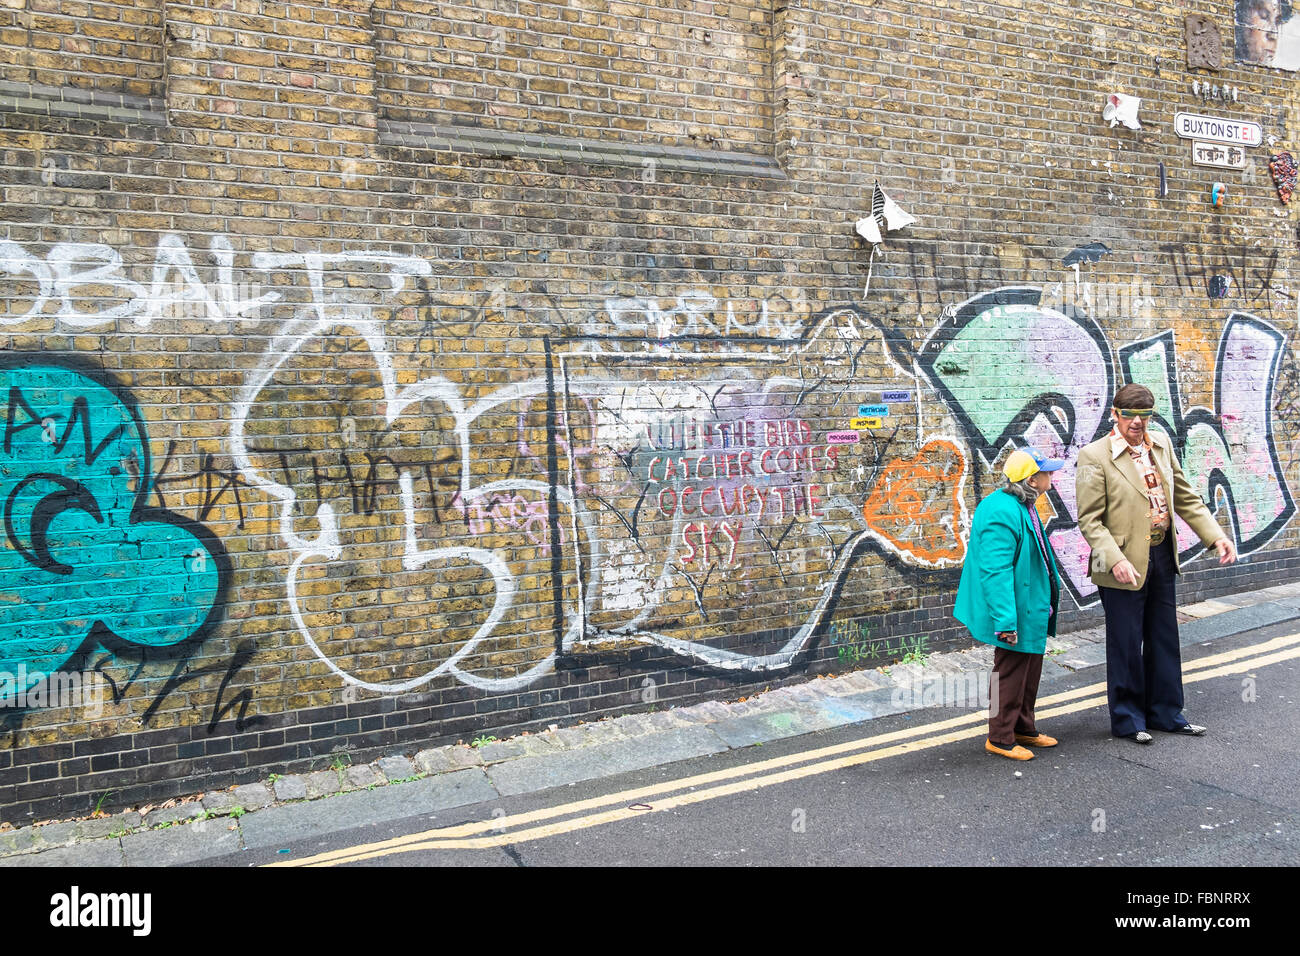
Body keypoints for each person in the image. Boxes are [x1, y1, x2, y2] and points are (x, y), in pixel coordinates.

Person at [1075, 384, 1237, 744]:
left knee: (1164, 636)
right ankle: (1129, 719)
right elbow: (1089, 520)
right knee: (1126, 642)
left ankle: (1166, 713)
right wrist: (1114, 559)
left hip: (1161, 552)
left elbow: (1185, 496)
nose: (1137, 422)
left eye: (1144, 415)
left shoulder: (1160, 445)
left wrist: (1216, 535)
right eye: (1130, 415)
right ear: (1115, 415)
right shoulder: (1094, 456)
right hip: (1120, 562)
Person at [954, 447, 1064, 761]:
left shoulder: (1022, 504)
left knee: (1030, 667)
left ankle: (1024, 728)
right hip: (1013, 607)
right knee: (1011, 671)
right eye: (1047, 472)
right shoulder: (1000, 510)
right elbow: (995, 570)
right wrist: (1005, 621)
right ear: (1032, 478)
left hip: (1030, 604)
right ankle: (1000, 737)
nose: (1051, 477)